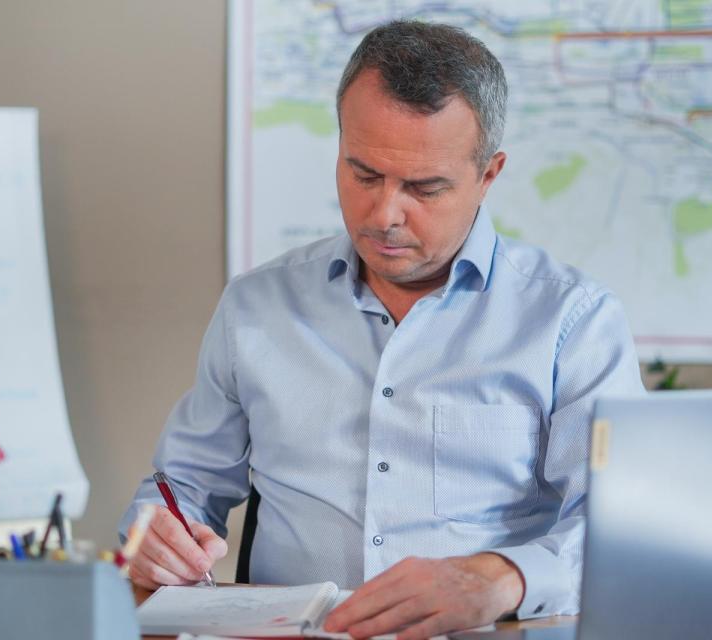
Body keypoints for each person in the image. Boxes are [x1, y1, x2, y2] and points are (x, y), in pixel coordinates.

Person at [120, 20, 643, 639]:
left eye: (425, 187)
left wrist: (505, 578)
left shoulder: (571, 322)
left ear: (488, 175)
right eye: (364, 174)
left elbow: (621, 526)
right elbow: (182, 485)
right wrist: (156, 534)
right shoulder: (256, 307)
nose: (385, 214)